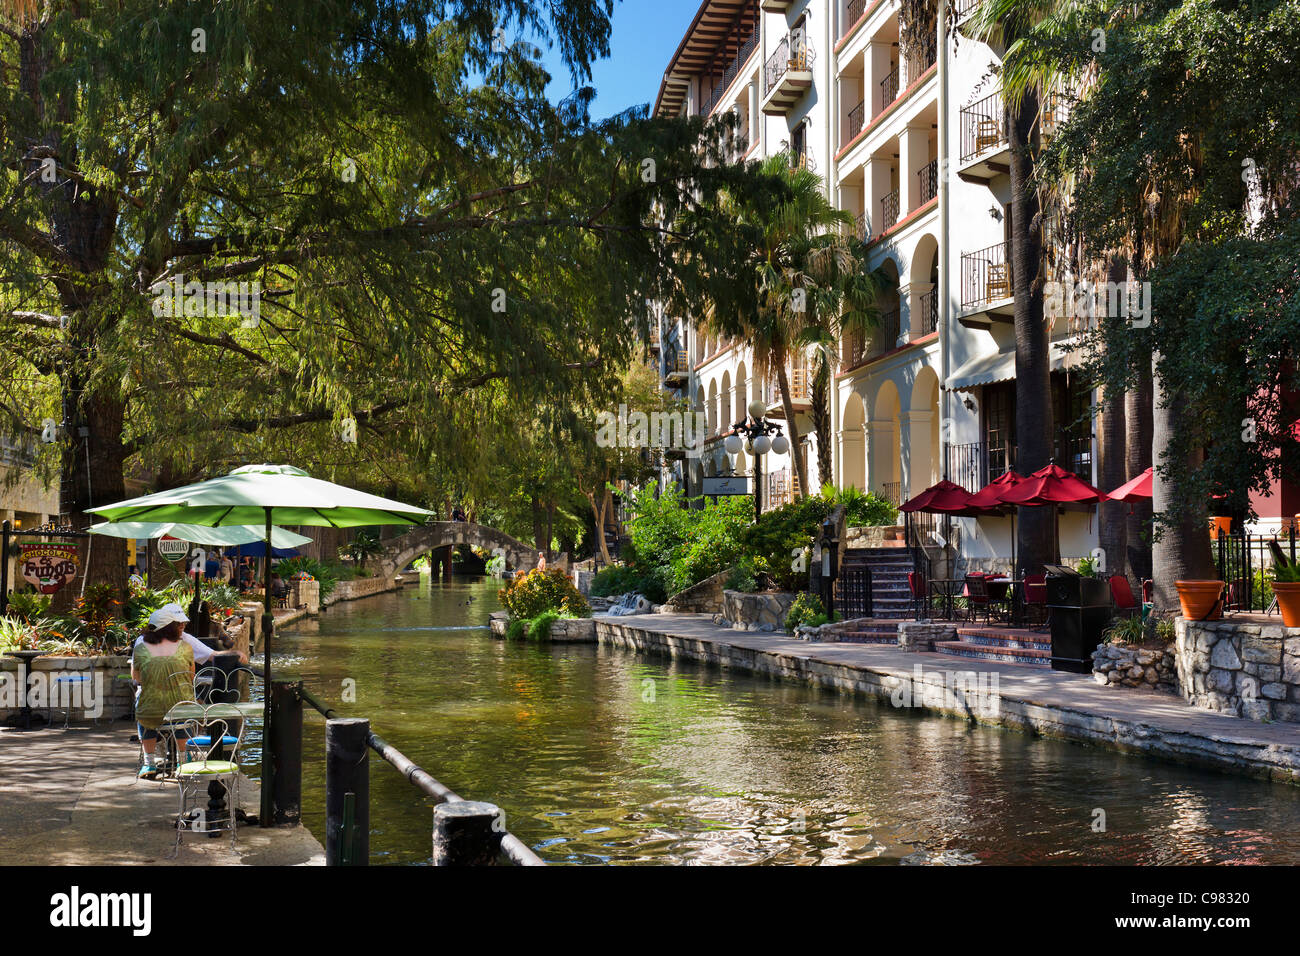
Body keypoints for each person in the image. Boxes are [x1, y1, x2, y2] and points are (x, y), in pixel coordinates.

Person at [132, 605, 197, 779]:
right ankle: (182, 761)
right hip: (181, 710)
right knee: (182, 706)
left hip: (152, 712)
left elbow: (137, 678)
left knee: (143, 706)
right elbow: (191, 676)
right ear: (170, 628)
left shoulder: (140, 649)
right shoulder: (185, 648)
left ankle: (149, 763)